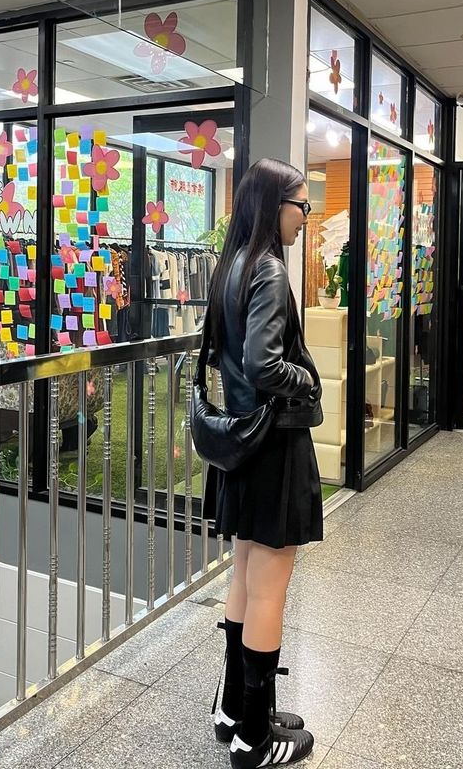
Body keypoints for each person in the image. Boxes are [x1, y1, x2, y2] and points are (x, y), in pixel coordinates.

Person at [202, 158, 323, 768]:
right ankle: (254, 736)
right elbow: (263, 364)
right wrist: (309, 378)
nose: (308, 215)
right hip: (273, 446)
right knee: (270, 585)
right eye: (303, 204)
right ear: (276, 205)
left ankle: (234, 708)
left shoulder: (233, 266)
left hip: (240, 444)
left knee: (246, 573)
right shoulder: (271, 271)